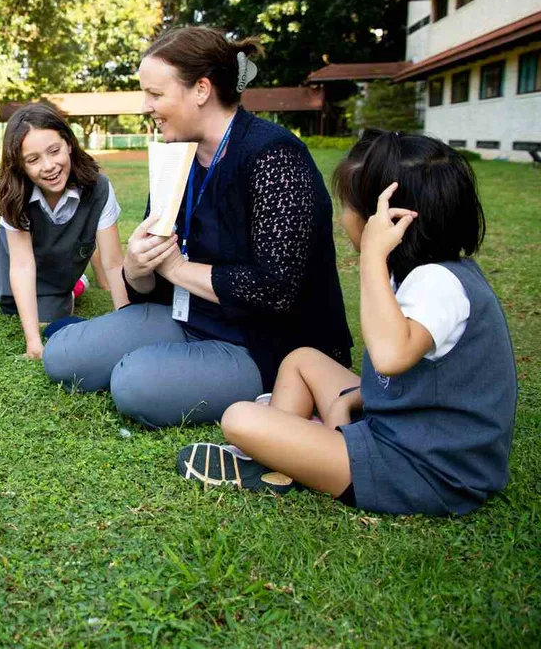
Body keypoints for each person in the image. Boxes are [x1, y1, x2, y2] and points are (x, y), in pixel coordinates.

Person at [177, 131, 517, 515]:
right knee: (303, 360)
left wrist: (372, 256)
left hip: (425, 471)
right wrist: (351, 399)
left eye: (349, 207)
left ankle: (286, 453)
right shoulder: (423, 273)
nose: (343, 219)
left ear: (384, 219)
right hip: (407, 433)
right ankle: (286, 456)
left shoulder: (437, 283)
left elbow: (390, 357)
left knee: (239, 419)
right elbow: (418, 381)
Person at [43, 26, 352, 427]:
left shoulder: (275, 156)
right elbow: (155, 286)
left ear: (202, 89)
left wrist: (176, 268)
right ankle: (129, 352)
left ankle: (157, 364)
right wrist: (137, 269)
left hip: (264, 344)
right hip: (187, 317)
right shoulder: (176, 158)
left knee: (134, 385)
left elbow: (275, 289)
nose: (146, 106)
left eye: (155, 94)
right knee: (63, 358)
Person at [0, 104, 130, 359]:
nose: (48, 166)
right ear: (20, 165)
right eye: (33, 160)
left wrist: (127, 322)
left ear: (68, 144)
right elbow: (22, 267)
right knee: (16, 306)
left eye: (54, 151)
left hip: (56, 277)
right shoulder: (14, 195)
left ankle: (76, 283)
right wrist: (33, 343)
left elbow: (113, 263)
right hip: (20, 265)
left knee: (55, 315)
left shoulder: (99, 188)